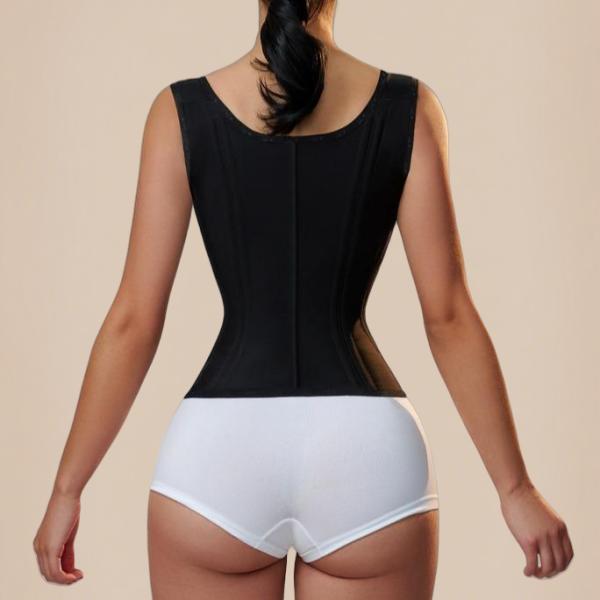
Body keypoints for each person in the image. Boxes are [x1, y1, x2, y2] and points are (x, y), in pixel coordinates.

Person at [33, 0, 574, 598]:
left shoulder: (179, 112)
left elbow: (135, 320)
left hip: (217, 457)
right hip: (368, 458)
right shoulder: (409, 108)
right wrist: (515, 489)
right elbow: (448, 317)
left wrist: (67, 489)